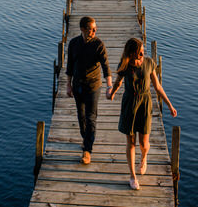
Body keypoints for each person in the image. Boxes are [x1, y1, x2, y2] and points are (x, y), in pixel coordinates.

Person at [108, 37, 176, 190]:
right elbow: (118, 81)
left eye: (142, 53)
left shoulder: (149, 63)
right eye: (139, 54)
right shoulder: (124, 65)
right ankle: (132, 176)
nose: (141, 56)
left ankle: (144, 157)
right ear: (131, 54)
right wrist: (111, 93)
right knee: (130, 142)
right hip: (129, 104)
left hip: (145, 103)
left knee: (143, 144)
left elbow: (157, 87)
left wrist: (170, 105)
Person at [66, 16, 112, 164]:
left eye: (95, 29)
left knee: (91, 117)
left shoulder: (98, 44)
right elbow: (69, 66)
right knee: (81, 115)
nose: (94, 31)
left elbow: (106, 67)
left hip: (93, 86)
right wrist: (68, 84)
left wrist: (109, 86)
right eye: (91, 29)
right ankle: (86, 137)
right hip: (77, 84)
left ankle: (87, 150)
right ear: (83, 29)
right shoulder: (74, 43)